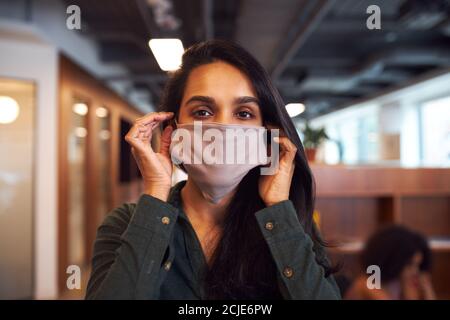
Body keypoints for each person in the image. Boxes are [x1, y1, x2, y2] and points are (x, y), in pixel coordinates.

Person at [85, 40, 340, 300]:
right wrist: (155, 191)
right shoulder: (126, 224)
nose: (223, 128)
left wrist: (278, 209)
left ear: (268, 134)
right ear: (173, 129)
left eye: (243, 113)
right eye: (203, 111)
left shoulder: (292, 221)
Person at [345, 225, 436, 300]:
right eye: (409, 264)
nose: (415, 271)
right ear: (392, 260)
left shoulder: (397, 284)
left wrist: (427, 290)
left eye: (417, 265)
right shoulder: (368, 283)